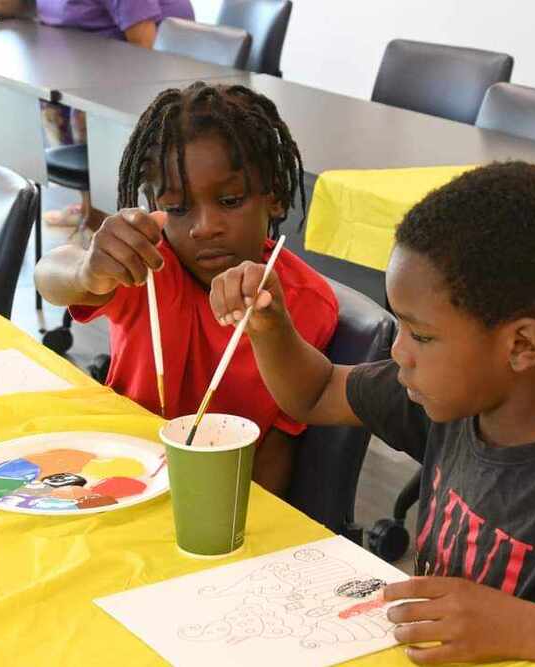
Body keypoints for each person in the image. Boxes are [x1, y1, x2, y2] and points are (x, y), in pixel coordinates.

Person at [210, 162, 535, 666]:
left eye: (421, 335)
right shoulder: (448, 403)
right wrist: (271, 325)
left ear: (521, 347)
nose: (398, 352)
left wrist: (529, 630)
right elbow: (315, 392)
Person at [34, 82, 338, 497]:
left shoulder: (302, 302)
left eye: (230, 200)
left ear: (276, 198)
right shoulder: (147, 266)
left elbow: (279, 442)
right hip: (113, 480)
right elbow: (50, 274)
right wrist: (88, 271)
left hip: (215, 500)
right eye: (177, 208)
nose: (203, 226)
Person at [0, 0, 195, 227]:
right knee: (53, 101)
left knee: (82, 111)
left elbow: (145, 44)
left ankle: (112, 220)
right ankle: (91, 209)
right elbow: (33, 5)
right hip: (82, 66)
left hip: (150, 74)